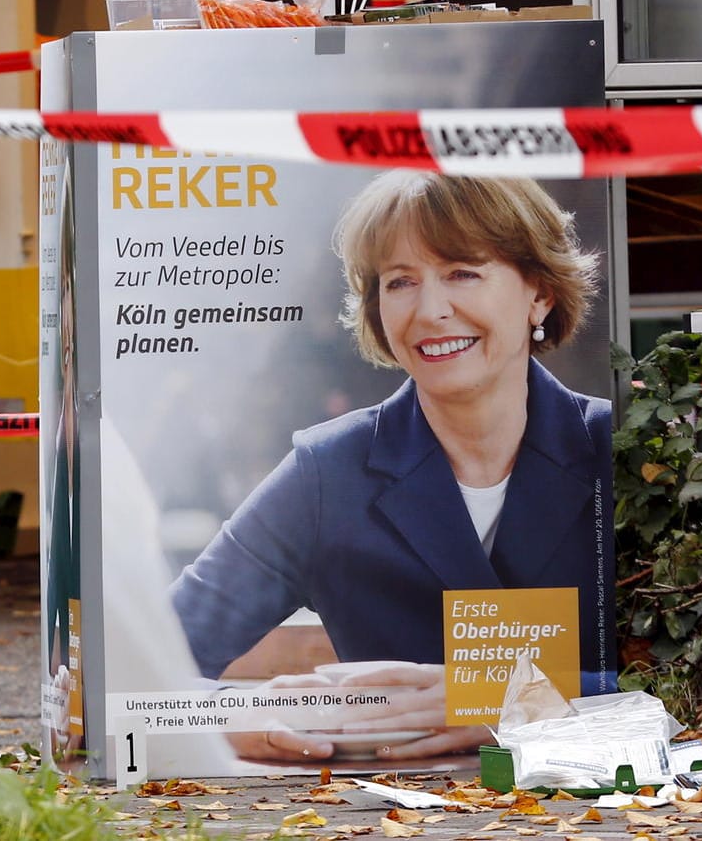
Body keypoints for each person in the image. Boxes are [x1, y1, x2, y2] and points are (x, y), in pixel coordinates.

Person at [167, 173, 614, 763]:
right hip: (375, 813)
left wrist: (521, 701)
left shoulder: (620, 450)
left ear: (541, 293)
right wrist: (233, 714)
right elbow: (145, 662)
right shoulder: (327, 472)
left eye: (463, 273)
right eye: (400, 281)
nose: (430, 311)